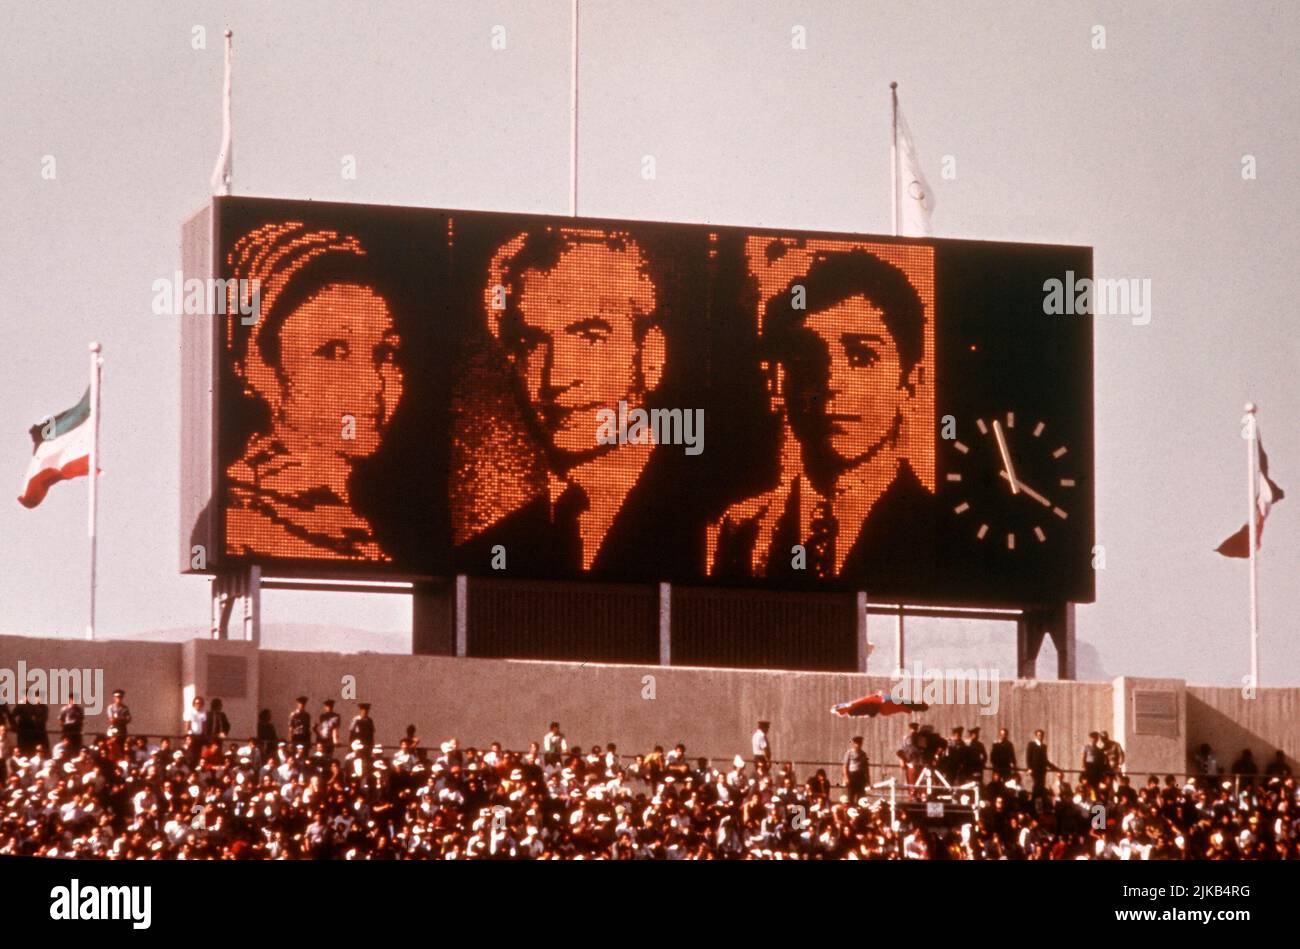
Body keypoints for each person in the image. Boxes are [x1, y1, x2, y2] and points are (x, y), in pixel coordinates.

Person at [455, 226, 686, 578]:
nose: (556, 378)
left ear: (651, 356)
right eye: (532, 343)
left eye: (590, 337)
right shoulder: (486, 554)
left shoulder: (724, 525)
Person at [709, 242, 933, 582]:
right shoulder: (742, 528)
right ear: (778, 379)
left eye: (862, 357)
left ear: (910, 384)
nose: (831, 382)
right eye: (807, 357)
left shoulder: (935, 529)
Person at [222, 221, 405, 561]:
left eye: (385, 354)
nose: (373, 383)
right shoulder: (242, 527)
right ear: (259, 367)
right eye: (334, 352)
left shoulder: (348, 525)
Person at [842, 736, 869, 800]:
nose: (858, 745)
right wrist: (846, 778)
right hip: (852, 776)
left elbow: (866, 767)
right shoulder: (849, 753)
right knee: (851, 795)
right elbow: (845, 766)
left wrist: (868, 779)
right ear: (854, 744)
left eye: (860, 743)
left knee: (861, 796)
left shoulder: (863, 754)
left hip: (860, 776)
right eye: (857, 743)